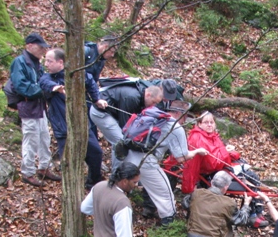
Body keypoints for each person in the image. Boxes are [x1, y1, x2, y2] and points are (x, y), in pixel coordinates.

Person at [125, 100, 208, 226]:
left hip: (127, 155)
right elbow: (182, 158)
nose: (185, 118)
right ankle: (168, 226)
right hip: (146, 161)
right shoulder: (175, 127)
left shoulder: (155, 116)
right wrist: (197, 151)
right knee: (166, 195)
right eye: (185, 115)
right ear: (179, 113)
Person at [182, 112, 269, 228]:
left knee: (251, 174)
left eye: (211, 122)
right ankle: (253, 214)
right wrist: (226, 152)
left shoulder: (212, 136)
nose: (209, 125)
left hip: (219, 169)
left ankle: (256, 212)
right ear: (199, 124)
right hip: (211, 175)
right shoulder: (198, 138)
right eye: (206, 122)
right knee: (249, 180)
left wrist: (228, 151)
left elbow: (218, 153)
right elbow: (212, 163)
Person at [39, 48, 108, 189]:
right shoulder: (47, 78)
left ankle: (92, 183)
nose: (46, 64)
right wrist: (55, 88)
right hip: (63, 128)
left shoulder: (75, 74)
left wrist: (96, 100)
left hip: (81, 125)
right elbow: (44, 83)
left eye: (49, 61)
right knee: (69, 162)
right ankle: (70, 188)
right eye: (45, 60)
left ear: (60, 62)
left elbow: (90, 81)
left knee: (96, 153)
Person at [10, 33, 61, 187]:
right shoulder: (19, 62)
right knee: (31, 140)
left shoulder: (37, 64)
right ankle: (28, 172)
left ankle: (44, 167)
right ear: (30, 45)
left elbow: (43, 80)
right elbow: (21, 86)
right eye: (40, 47)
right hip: (28, 105)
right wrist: (43, 89)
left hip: (40, 106)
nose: (43, 51)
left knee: (44, 137)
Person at [90, 83, 174, 169]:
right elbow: (126, 127)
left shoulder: (142, 97)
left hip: (114, 114)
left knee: (125, 141)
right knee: (121, 142)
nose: (153, 106)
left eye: (155, 104)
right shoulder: (132, 98)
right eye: (153, 102)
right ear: (148, 95)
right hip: (101, 113)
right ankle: (117, 174)